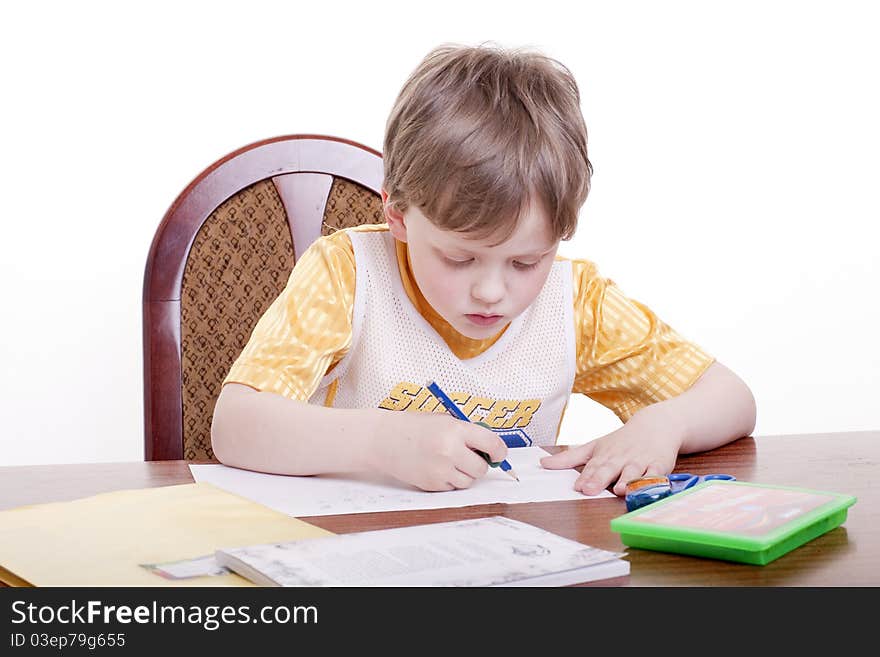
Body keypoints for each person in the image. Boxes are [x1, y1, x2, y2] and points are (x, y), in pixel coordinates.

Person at [211, 43, 756, 497]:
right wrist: (379, 440)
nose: (492, 291)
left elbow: (732, 398)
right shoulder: (347, 274)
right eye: (458, 257)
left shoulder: (576, 302)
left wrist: (663, 422)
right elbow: (234, 426)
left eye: (526, 261)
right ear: (398, 216)